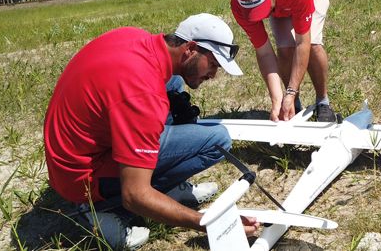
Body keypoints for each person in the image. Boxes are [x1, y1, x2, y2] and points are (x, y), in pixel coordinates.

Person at [43, 13, 259, 249]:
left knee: (173, 84)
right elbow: (135, 195)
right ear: (191, 48)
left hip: (69, 152)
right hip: (80, 178)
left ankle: (166, 187)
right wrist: (208, 223)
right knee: (218, 141)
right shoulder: (143, 95)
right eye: (214, 64)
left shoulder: (135, 37)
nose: (213, 75)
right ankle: (93, 208)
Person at [230, 0, 336, 122]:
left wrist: (291, 91)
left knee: (313, 43)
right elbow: (264, 52)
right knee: (285, 48)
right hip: (280, 0)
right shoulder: (238, 6)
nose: (263, 15)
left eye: (263, 7)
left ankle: (322, 101)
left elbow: (303, 42)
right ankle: (294, 104)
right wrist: (277, 99)